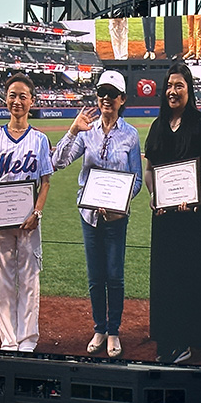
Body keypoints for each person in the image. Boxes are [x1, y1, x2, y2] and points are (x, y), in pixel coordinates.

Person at [52, 70, 142, 358]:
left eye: (112, 94)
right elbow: (58, 162)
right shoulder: (87, 131)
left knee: (114, 276)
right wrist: (72, 131)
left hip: (116, 218)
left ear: (122, 99)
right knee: (95, 277)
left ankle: (113, 330)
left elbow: (137, 180)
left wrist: (119, 203)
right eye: (102, 93)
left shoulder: (131, 135)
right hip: (89, 215)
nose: (106, 98)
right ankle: (99, 328)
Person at [144, 63, 201, 363]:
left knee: (190, 274)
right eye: (170, 86)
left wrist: (196, 189)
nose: (173, 92)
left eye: (179, 86)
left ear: (189, 90)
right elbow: (149, 169)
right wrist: (154, 195)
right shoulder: (158, 125)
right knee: (165, 275)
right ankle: (168, 337)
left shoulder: (200, 123)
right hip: (164, 215)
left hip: (192, 213)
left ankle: (188, 338)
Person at [0, 73, 53, 352]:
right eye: (13, 95)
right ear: (5, 100)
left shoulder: (40, 139)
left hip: (28, 220)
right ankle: (8, 341)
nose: (17, 101)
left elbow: (45, 181)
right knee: (2, 281)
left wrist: (37, 212)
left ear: (32, 101)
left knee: (30, 279)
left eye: (23, 96)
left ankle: (27, 340)